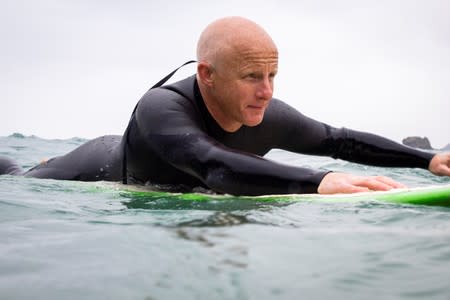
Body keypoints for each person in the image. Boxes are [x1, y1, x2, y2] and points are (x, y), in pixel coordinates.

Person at [1, 16, 449, 195]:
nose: (268, 91)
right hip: (98, 164)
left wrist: (426, 159)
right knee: (19, 177)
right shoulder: (160, 108)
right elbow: (213, 166)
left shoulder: (268, 115)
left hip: (166, 166)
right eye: (253, 76)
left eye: (272, 75)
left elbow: (339, 140)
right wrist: (320, 182)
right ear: (207, 75)